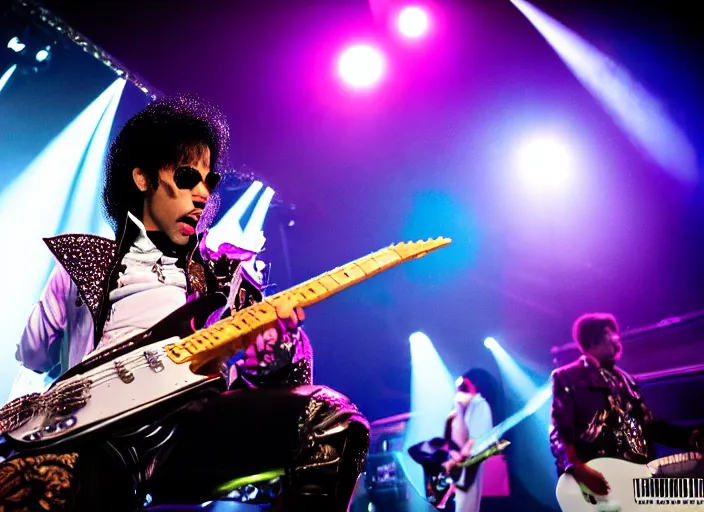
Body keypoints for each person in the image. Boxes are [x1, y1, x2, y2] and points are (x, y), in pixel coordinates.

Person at [0, 95, 369, 511]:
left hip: (189, 430)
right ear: (141, 178)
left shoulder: (226, 279)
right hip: (99, 435)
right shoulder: (87, 261)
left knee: (330, 421)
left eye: (208, 182)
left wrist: (273, 355)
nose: (201, 194)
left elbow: (290, 378)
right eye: (188, 176)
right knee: (32, 489)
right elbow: (32, 355)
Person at [549, 312, 702, 496]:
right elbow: (559, 433)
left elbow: (649, 426)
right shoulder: (567, 377)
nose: (616, 338)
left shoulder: (627, 381)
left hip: (634, 481)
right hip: (596, 485)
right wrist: (577, 468)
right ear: (592, 338)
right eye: (609, 333)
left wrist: (691, 437)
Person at [441, 370, 493, 512]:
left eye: (465, 384)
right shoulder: (459, 408)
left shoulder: (480, 405)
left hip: (470, 467)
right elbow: (451, 438)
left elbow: (477, 440)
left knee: (467, 505)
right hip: (459, 468)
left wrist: (459, 458)